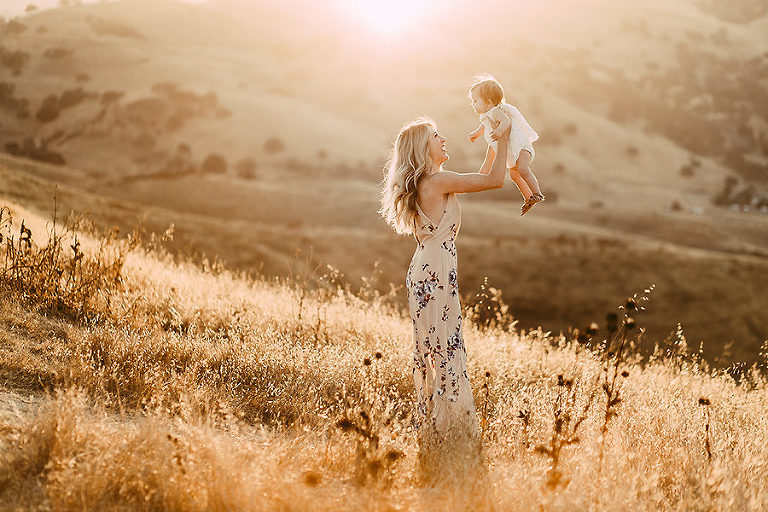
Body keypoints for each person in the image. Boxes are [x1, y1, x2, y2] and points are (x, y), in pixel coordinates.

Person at [379, 117, 510, 477]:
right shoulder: (436, 181)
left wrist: (493, 142)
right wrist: (506, 137)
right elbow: (494, 180)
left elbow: (482, 173)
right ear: (424, 147)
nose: (444, 139)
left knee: (440, 351)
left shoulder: (433, 181)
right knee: (446, 352)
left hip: (428, 270)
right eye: (437, 136)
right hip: (434, 273)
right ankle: (451, 440)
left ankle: (442, 438)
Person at [468, 74, 544, 215]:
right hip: (513, 152)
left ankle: (537, 193)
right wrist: (476, 134)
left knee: (522, 169)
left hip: (521, 148)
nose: (473, 104)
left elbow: (506, 122)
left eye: (475, 101)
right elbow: (483, 126)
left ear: (489, 101)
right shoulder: (487, 115)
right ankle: (528, 198)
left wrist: (498, 131)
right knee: (515, 175)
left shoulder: (497, 111)